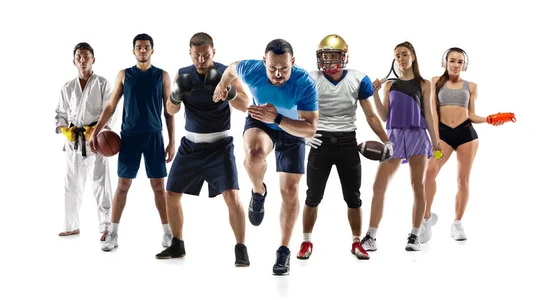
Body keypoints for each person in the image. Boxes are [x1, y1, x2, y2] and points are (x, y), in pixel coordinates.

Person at [213, 39, 318, 275]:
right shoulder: (251, 70)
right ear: (264, 62)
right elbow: (231, 68)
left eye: (284, 68)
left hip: (292, 128)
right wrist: (222, 85)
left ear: (293, 62)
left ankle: (283, 251)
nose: (278, 73)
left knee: (290, 191)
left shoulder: (304, 83)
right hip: (261, 119)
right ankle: (258, 191)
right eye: (272, 68)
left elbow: (310, 129)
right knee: (253, 153)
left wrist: (278, 119)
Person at [155, 32, 250, 267]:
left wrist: (228, 90)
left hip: (220, 144)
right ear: (190, 53)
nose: (201, 60)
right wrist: (175, 97)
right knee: (172, 193)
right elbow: (171, 111)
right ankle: (177, 244)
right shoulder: (183, 74)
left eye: (205, 55)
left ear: (213, 53)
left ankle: (241, 248)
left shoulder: (226, 73)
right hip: (190, 145)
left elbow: (246, 104)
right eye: (197, 55)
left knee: (232, 195)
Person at [296, 34, 392, 261]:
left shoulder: (358, 79)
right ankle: (306, 241)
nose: (328, 61)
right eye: (325, 56)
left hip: (348, 142)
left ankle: (356, 242)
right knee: (312, 196)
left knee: (353, 197)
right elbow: (297, 111)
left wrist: (387, 140)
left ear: (343, 56)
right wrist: (304, 136)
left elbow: (370, 115)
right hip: (319, 141)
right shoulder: (311, 79)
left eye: (333, 56)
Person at [88, 33, 175, 252]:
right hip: (129, 137)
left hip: (154, 135)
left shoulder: (163, 76)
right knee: (123, 185)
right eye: (139, 47)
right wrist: (96, 131)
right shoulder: (124, 75)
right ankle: (114, 233)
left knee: (158, 187)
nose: (143, 50)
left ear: (152, 50)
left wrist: (172, 141)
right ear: (134, 51)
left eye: (146, 47)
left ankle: (168, 233)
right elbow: (110, 106)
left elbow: (169, 111)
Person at [360, 41, 440, 252]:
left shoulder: (424, 84)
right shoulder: (390, 85)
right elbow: (385, 116)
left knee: (417, 186)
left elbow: (430, 116)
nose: (401, 59)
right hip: (394, 136)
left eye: (404, 54)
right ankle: (371, 237)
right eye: (397, 56)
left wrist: (436, 142)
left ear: (413, 56)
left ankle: (414, 236)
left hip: (417, 135)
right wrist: (375, 93)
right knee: (378, 186)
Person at [420, 47, 504, 243]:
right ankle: (426, 218)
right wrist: (436, 139)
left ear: (464, 64)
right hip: (444, 135)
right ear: (445, 62)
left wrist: (489, 119)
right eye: (452, 60)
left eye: (459, 61)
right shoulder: (435, 82)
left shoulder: (472, 86)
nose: (455, 65)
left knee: (463, 180)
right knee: (429, 174)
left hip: (466, 134)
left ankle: (457, 223)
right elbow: (432, 111)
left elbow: (471, 114)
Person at [55, 42, 113, 243]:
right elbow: (60, 113)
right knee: (71, 185)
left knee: (101, 186)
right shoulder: (68, 87)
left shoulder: (103, 84)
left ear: (93, 59)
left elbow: (110, 111)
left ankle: (107, 228)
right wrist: (64, 130)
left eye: (86, 56)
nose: (82, 60)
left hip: (96, 142)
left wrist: (95, 131)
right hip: (73, 143)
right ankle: (71, 226)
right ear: (74, 61)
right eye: (79, 57)